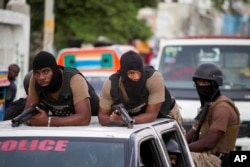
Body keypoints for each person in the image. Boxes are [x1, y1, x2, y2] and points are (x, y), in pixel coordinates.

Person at [98, 50, 185, 130]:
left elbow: (151, 114)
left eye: (139, 72)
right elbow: (102, 116)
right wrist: (114, 120)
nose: (136, 77)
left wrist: (126, 121)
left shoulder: (153, 78)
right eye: (131, 73)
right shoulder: (111, 84)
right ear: (123, 73)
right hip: (133, 121)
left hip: (165, 113)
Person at [185, 63, 240, 167]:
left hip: (217, 160)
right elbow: (190, 135)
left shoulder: (222, 108)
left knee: (181, 158)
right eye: (198, 82)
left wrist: (182, 149)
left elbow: (209, 143)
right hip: (204, 155)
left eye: (205, 82)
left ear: (215, 84)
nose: (201, 85)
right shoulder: (208, 105)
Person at [24, 51, 92, 126]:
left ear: (54, 70)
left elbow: (84, 118)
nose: (41, 77)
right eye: (37, 73)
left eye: (46, 72)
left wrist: (48, 121)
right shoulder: (34, 80)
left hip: (94, 125)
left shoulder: (74, 79)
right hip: (61, 126)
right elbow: (27, 114)